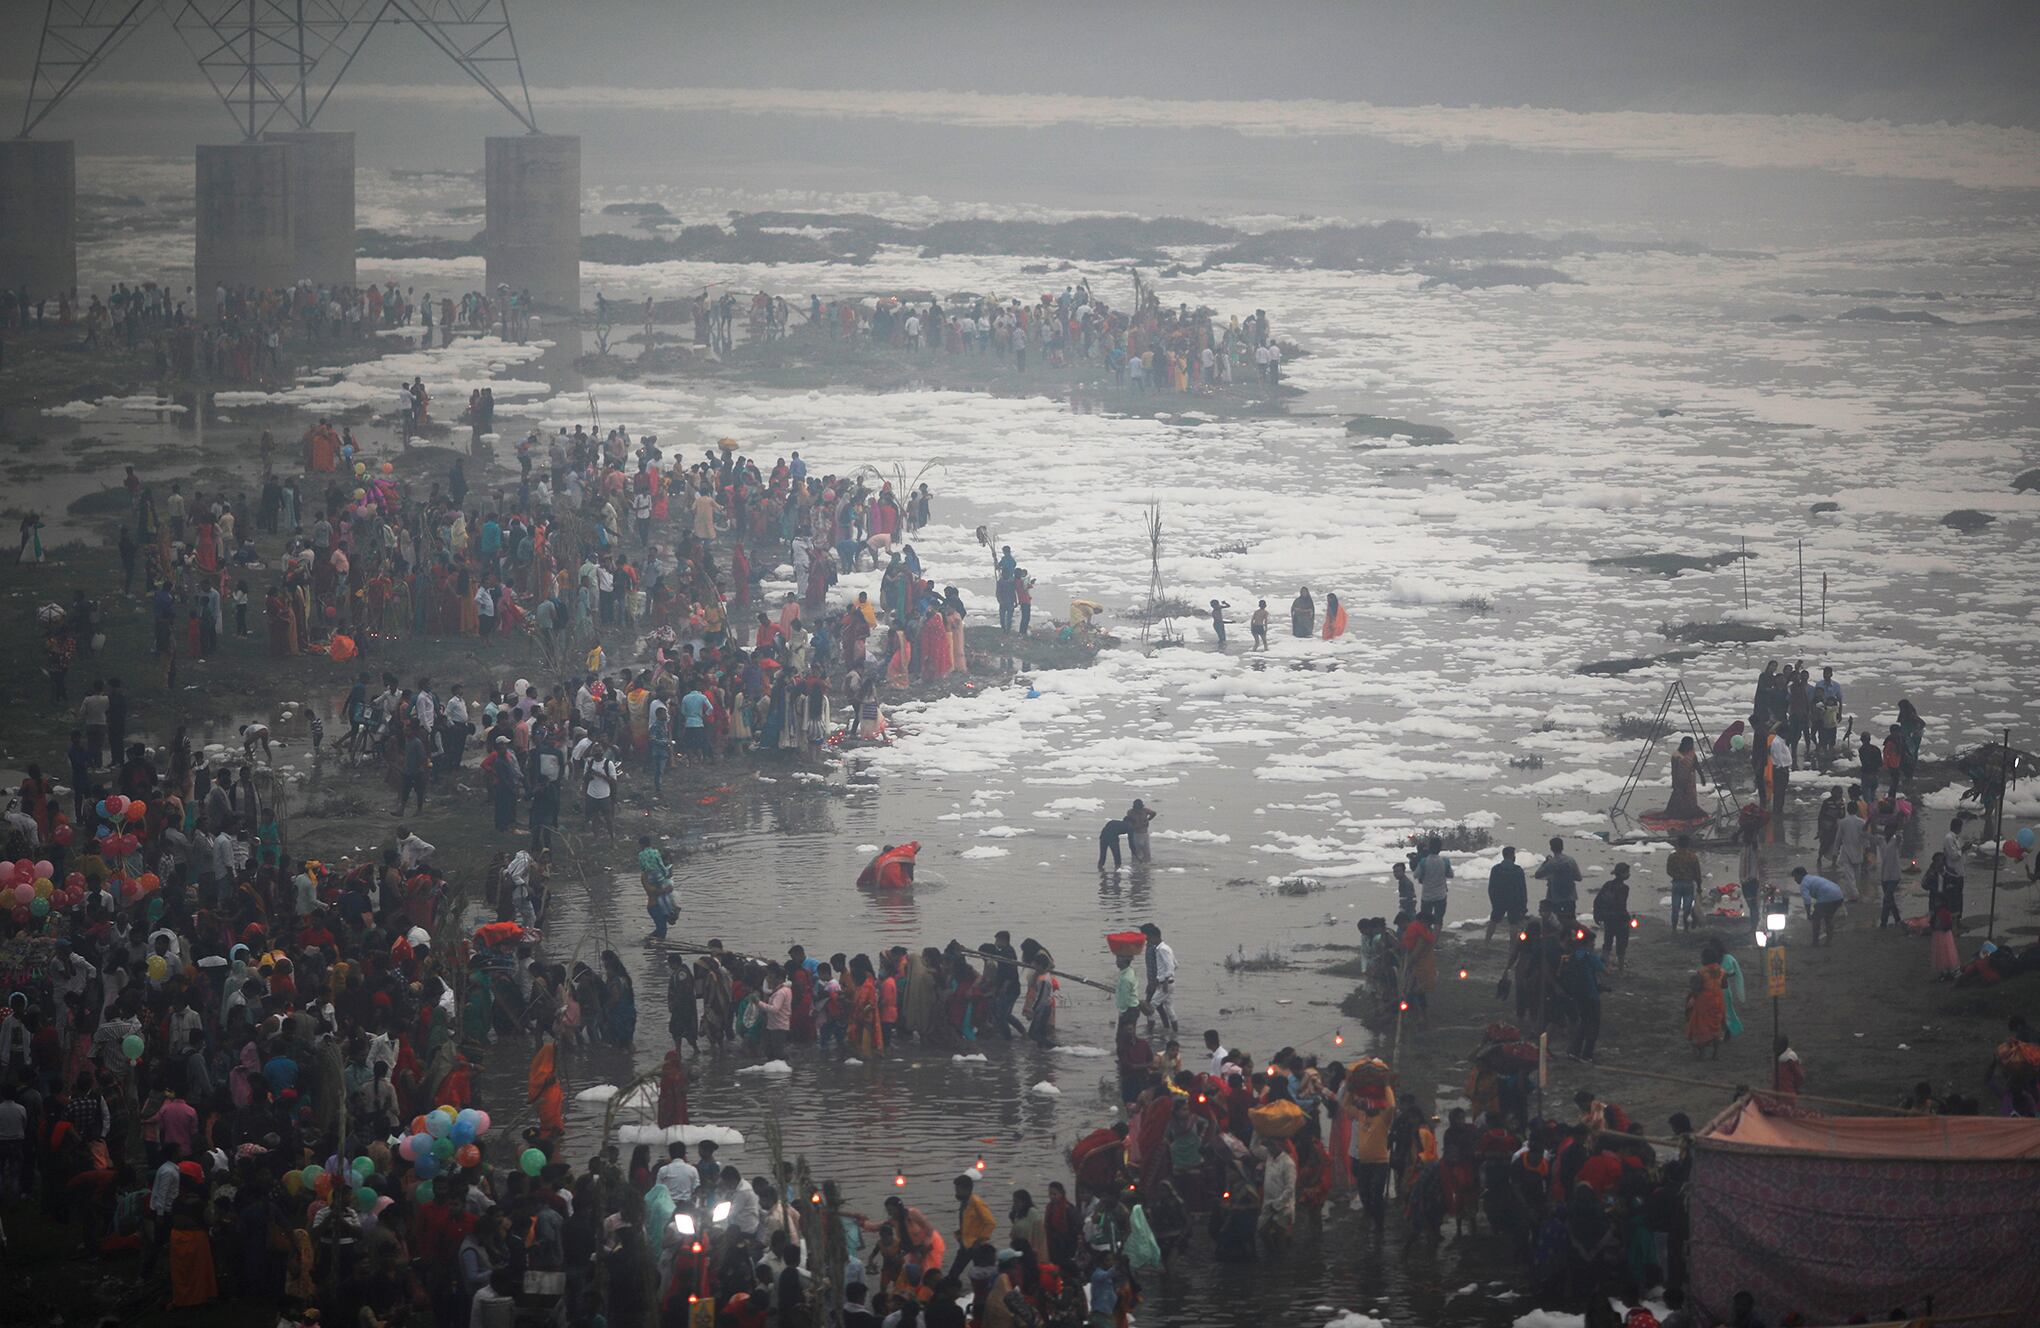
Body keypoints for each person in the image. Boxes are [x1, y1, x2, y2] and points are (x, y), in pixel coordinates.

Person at [1485, 845, 1527, 942]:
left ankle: (1486, 942)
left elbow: (1491, 888)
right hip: (1514, 901)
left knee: (1493, 921)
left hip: (1499, 901)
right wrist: (1523, 905)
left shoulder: (1496, 869)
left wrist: (1493, 902)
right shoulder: (1518, 870)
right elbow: (1522, 890)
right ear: (1512, 856)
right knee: (1513, 924)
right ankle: (1512, 946)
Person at [1793, 867, 1845, 946]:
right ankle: (1828, 942)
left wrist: (1808, 914)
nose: (1795, 880)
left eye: (1795, 877)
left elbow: (1807, 900)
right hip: (1839, 895)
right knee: (1828, 918)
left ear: (1800, 875)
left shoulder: (1804, 883)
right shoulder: (1812, 878)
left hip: (1828, 897)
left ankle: (1815, 942)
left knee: (1816, 919)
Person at [1534, 837, 1582, 922]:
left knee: (1556, 922)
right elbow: (1579, 878)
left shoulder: (1551, 863)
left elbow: (1537, 875)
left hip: (1555, 898)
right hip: (1570, 897)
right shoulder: (1570, 860)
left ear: (1551, 848)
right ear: (1562, 847)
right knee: (1571, 921)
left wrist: (1545, 863)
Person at [1662, 737, 1707, 821]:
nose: (1690, 746)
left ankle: (1689, 813)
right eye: (1689, 744)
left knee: (1690, 798)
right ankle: (1678, 814)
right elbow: (1674, 770)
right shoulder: (1676, 755)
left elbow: (1696, 765)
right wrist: (1674, 783)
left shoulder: (1692, 753)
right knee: (1679, 797)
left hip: (1690, 780)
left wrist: (1702, 777)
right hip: (1679, 780)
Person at [1666, 834, 1701, 932]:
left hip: (1676, 884)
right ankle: (1686, 928)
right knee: (1687, 908)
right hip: (1689, 884)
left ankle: (1674, 928)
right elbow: (1697, 873)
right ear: (1688, 844)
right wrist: (1699, 886)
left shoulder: (1672, 856)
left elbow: (1668, 871)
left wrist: (1676, 875)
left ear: (1678, 844)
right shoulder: (1693, 857)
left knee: (1675, 907)